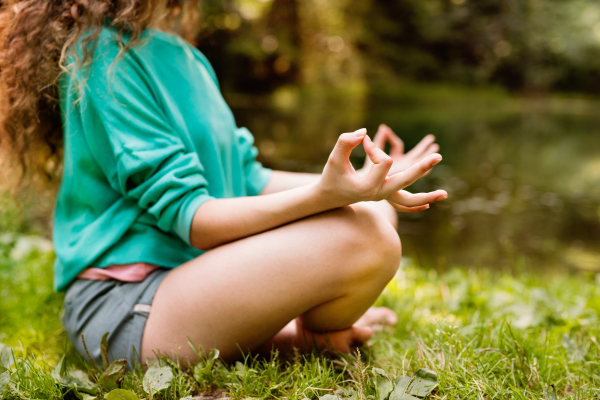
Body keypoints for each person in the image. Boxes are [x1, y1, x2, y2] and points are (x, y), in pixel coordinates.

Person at [0, 0, 447, 366]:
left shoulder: (185, 55)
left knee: (376, 213)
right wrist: (323, 196)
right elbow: (195, 218)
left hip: (193, 279)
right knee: (368, 240)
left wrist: (369, 182)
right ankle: (300, 335)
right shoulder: (99, 54)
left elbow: (248, 178)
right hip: (125, 307)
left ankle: (285, 334)